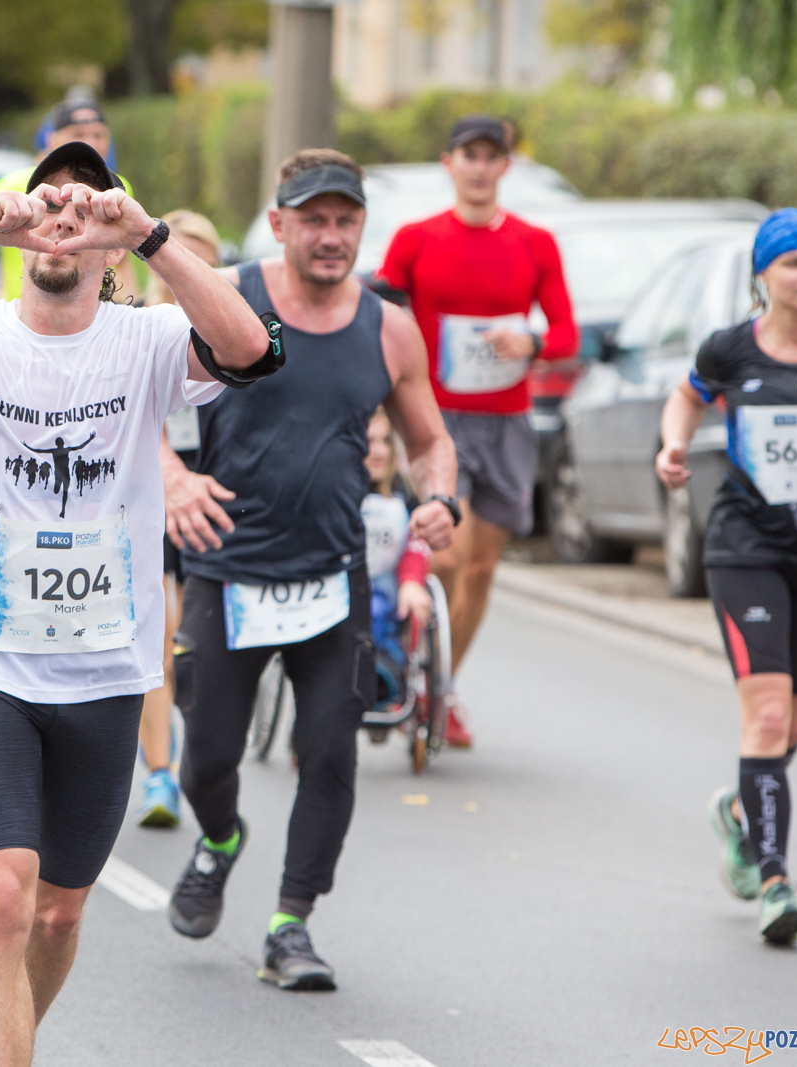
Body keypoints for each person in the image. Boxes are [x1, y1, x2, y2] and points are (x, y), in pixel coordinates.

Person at [0, 138, 273, 1067]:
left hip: (105, 663)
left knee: (59, 913)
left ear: (110, 244)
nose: (65, 215)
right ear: (25, 225)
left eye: (89, 206)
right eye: (48, 201)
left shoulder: (146, 340)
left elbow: (248, 347)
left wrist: (149, 235)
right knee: (1, 896)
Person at [165, 149, 458, 990]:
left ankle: (292, 922)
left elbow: (430, 439)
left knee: (330, 751)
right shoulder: (227, 296)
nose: (332, 237)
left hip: (331, 577)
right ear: (280, 223)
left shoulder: (387, 326)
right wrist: (175, 478)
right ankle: (219, 838)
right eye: (315, 219)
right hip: (227, 567)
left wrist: (437, 499)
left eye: (347, 220)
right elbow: (132, 396)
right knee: (209, 755)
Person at [656, 208, 797, 945]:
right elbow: (687, 393)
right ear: (763, 274)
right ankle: (775, 879)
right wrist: (673, 446)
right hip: (746, 546)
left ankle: (742, 810)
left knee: (794, 720)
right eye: (794, 263)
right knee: (767, 715)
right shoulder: (732, 347)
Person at [375, 114, 578, 748]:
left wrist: (532, 340)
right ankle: (409, 648)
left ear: (506, 167)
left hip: (508, 421)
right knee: (450, 552)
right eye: (470, 155)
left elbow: (568, 334)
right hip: (439, 421)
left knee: (484, 568)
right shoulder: (416, 238)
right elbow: (380, 311)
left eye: (492, 156)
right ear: (450, 164)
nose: (481, 167)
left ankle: (442, 684)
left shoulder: (534, 242)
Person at [138, 209, 222, 827]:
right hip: (148, 496)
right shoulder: (136, 327)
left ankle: (203, 766)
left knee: (198, 648)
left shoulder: (228, 335)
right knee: (158, 641)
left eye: (195, 259)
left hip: (212, 500)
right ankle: (161, 777)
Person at [0, 100, 136, 302]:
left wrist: (130, 307)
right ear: (52, 139)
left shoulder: (118, 189)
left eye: (98, 135)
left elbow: (121, 262)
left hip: (89, 312)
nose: (91, 142)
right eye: (78, 135)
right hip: (21, 309)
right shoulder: (7, 187)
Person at [361, 407, 434, 712]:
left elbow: (416, 544)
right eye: (369, 441)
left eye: (385, 441)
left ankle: (383, 681)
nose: (378, 451)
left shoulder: (404, 495)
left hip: (389, 601)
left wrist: (413, 582)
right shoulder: (334, 491)